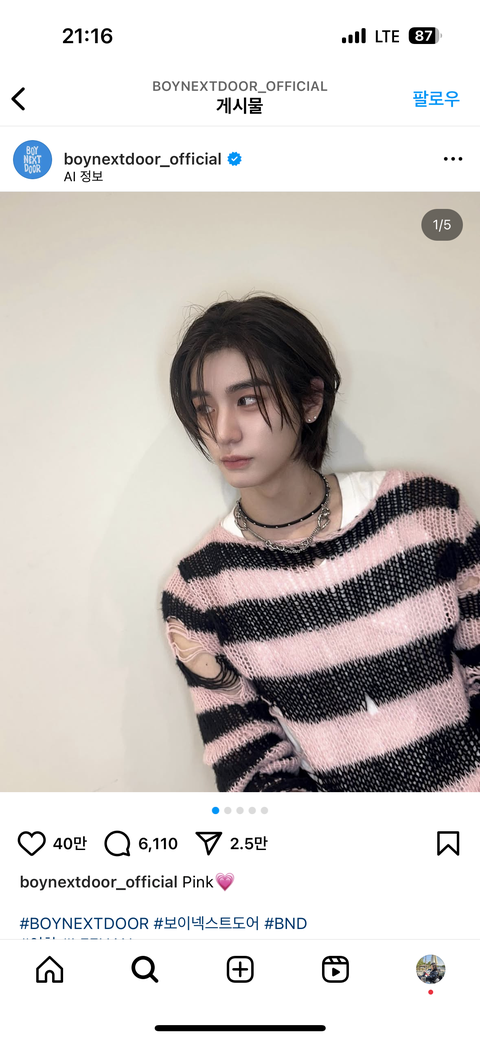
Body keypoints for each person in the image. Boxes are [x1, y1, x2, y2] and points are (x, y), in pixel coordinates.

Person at [161, 293, 480, 792]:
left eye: (248, 400)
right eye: (204, 408)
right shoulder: (200, 592)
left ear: (310, 400)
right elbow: (253, 772)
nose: (222, 432)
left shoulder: (424, 514)